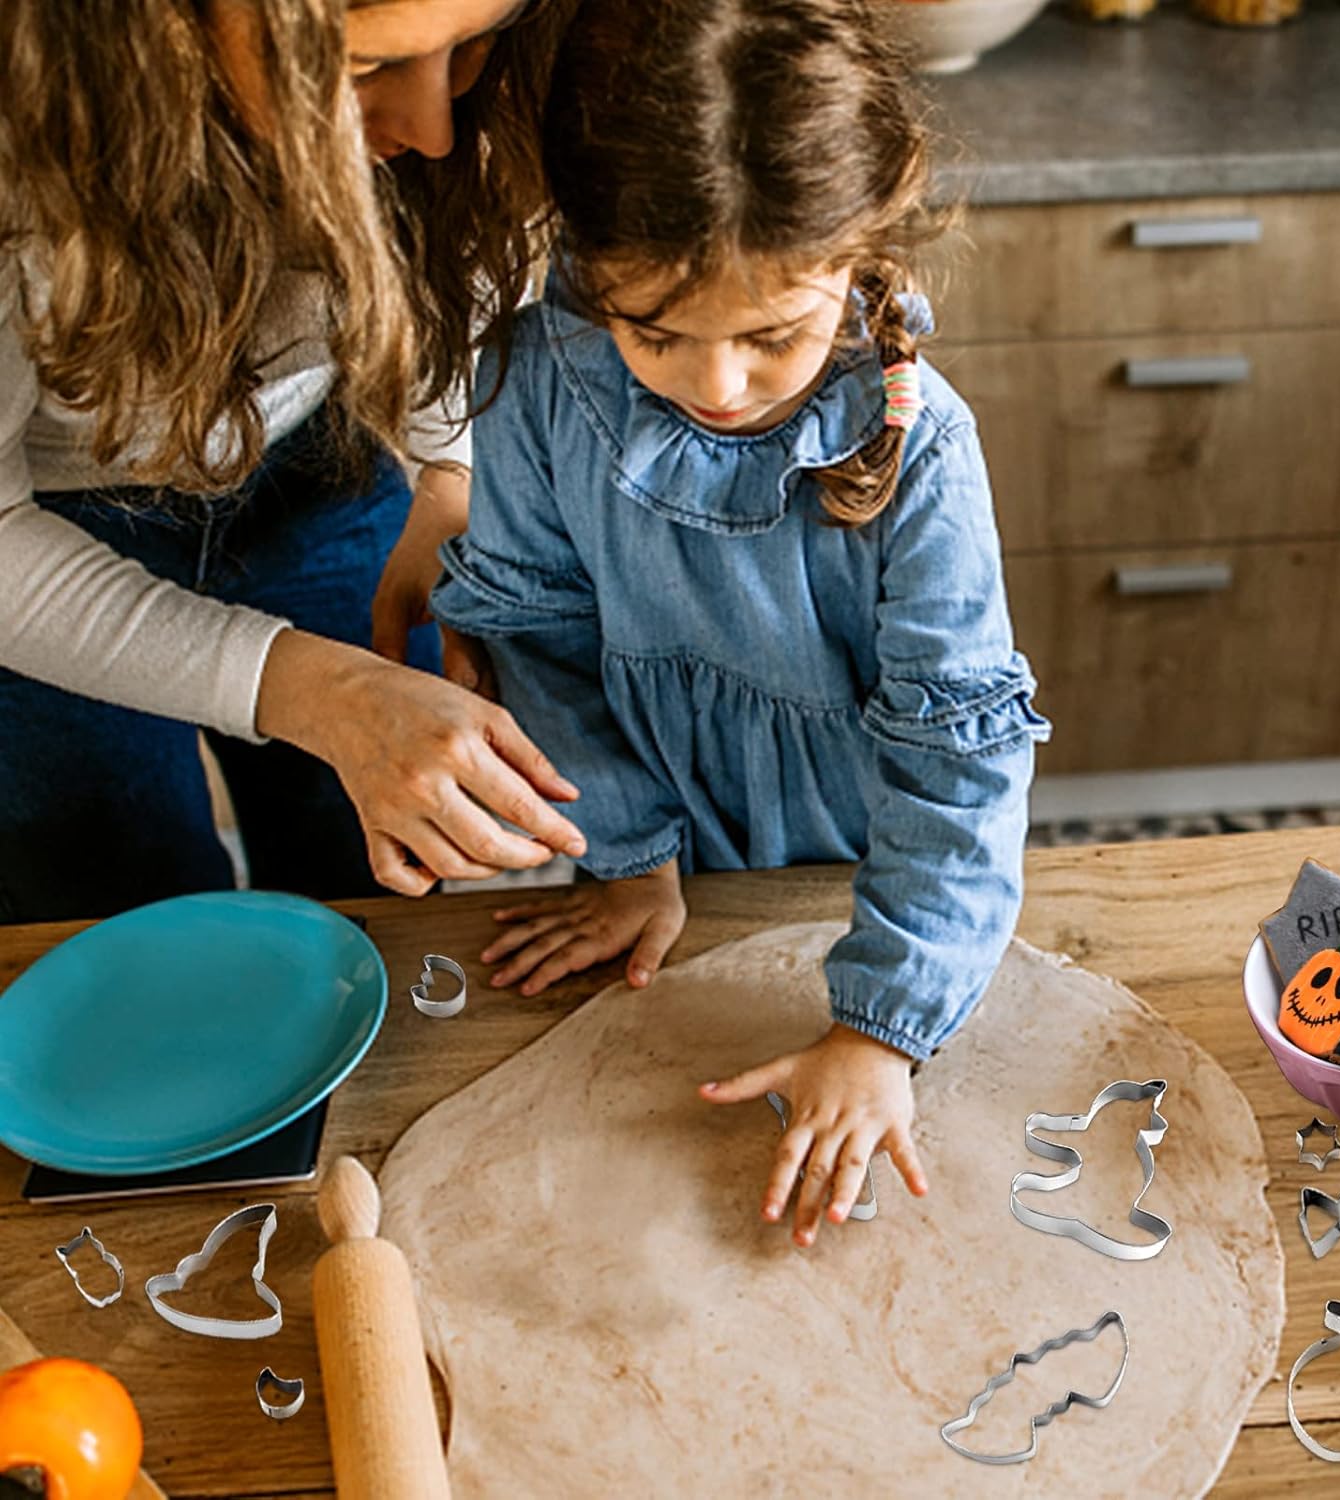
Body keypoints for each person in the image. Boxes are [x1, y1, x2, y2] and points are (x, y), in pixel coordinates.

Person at [431, 0, 1050, 1246]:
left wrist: (881, 1026)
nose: (714, 388)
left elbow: (955, 761)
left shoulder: (922, 446)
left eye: (773, 336)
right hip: (666, 848)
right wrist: (631, 855)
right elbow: (541, 639)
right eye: (654, 331)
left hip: (875, 860)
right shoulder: (538, 384)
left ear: (861, 249)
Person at [0, 0, 587, 921]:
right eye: (361, 73)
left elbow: (455, 242)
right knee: (117, 897)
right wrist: (317, 692)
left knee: (367, 860)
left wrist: (451, 471)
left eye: (474, 44)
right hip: (40, 532)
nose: (432, 130)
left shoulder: (461, 119)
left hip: (320, 468)